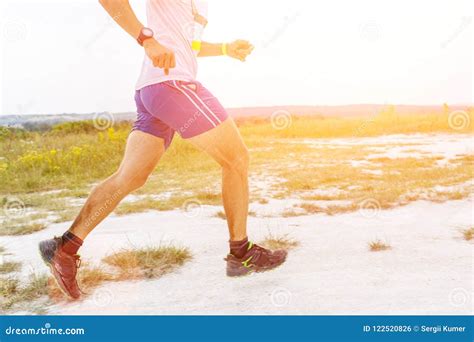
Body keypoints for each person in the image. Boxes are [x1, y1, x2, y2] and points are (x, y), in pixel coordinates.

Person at [39, 0, 287, 299]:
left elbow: (189, 44)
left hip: (153, 90)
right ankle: (241, 253)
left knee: (129, 177)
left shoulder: (200, 6)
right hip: (172, 85)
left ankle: (65, 248)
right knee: (236, 159)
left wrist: (224, 49)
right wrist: (147, 39)